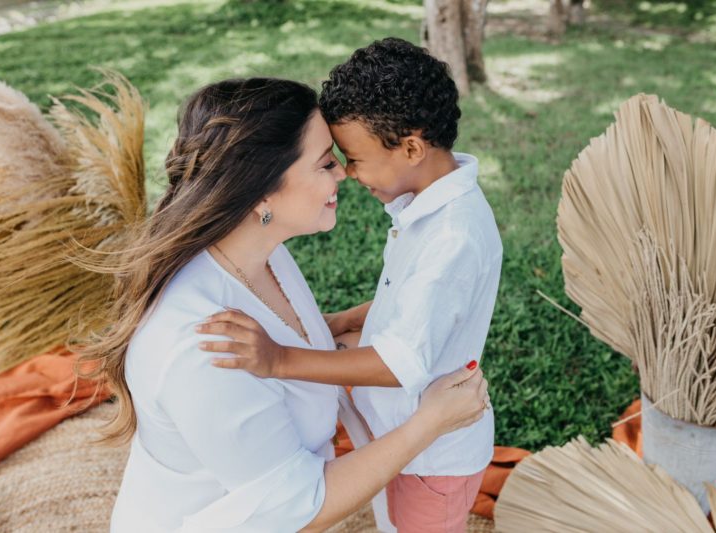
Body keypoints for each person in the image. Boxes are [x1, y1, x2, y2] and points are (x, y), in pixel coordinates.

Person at [76, 77, 490, 532]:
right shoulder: (204, 346)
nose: (343, 173)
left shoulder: (261, 255)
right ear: (263, 192)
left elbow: (289, 335)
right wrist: (430, 422)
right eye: (325, 162)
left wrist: (353, 322)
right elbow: (301, 509)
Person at [197, 38, 503, 532]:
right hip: (406, 437)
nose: (347, 173)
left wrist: (279, 359)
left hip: (431, 460)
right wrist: (338, 323)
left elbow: (397, 363)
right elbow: (411, 299)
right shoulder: (428, 206)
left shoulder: (453, 236)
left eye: (355, 159)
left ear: (411, 148)